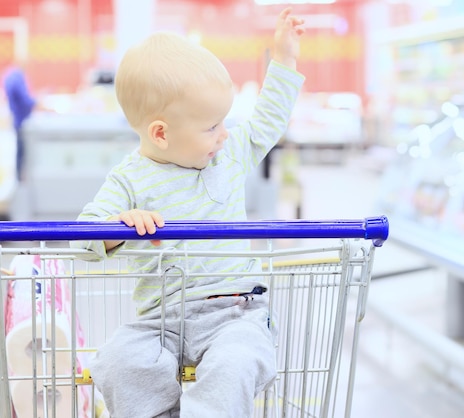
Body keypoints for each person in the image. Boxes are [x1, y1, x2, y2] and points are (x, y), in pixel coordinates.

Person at [73, 8, 305, 418]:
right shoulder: (128, 181)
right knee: (116, 361)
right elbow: (82, 238)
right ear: (161, 133)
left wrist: (284, 58)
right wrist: (117, 227)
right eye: (211, 126)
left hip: (236, 310)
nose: (225, 134)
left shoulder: (227, 156)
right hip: (159, 321)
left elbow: (269, 120)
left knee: (236, 363)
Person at [3, 60, 37, 182]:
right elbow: (24, 99)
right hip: (20, 118)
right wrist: (36, 102)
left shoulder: (10, 76)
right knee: (22, 149)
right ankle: (20, 177)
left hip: (17, 116)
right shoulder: (16, 78)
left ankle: (19, 176)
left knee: (20, 148)